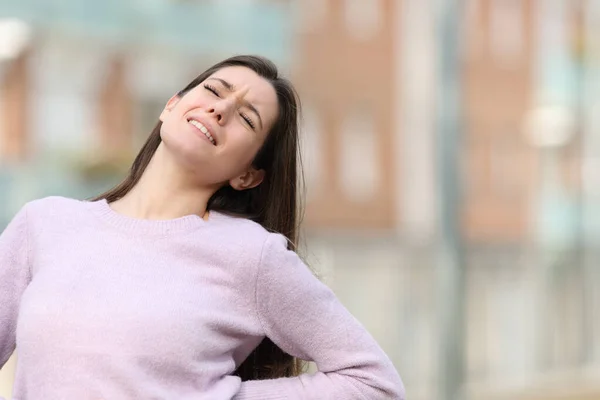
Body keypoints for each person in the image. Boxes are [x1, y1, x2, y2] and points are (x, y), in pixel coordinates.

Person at [0, 55, 405, 399]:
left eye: (246, 118)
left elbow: (373, 383)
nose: (220, 110)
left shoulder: (252, 254)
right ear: (171, 106)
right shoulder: (46, 224)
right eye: (213, 91)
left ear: (248, 175)